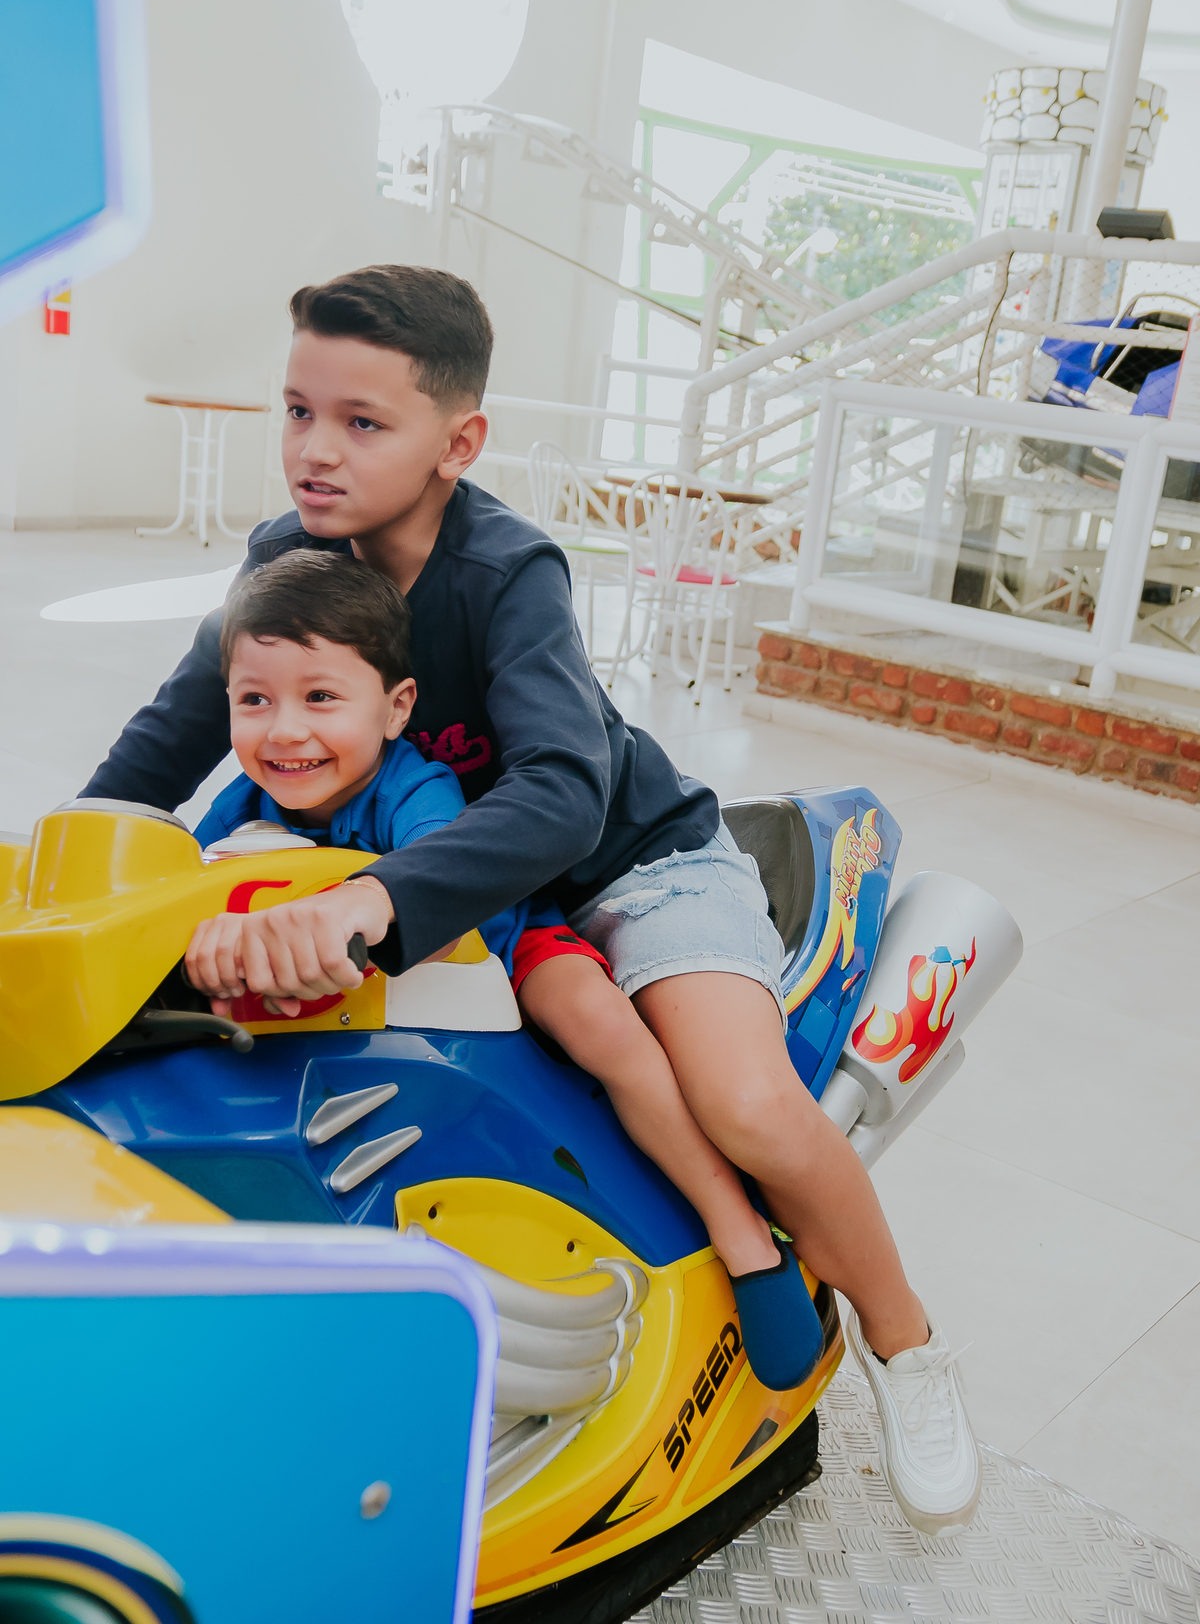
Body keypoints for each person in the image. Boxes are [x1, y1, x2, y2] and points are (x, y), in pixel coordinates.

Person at [85, 264, 980, 1535]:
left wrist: (374, 905)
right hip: (429, 875)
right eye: (295, 410)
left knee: (746, 1105)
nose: (314, 451)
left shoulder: (509, 571)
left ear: (460, 442)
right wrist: (69, 861)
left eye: (361, 421)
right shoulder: (285, 554)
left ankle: (907, 1344)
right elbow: (172, 736)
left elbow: (562, 792)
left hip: (622, 868)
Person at [186, 547, 821, 1390]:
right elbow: (189, 881)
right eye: (253, 701)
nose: (285, 731)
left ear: (394, 707)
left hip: (498, 941)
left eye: (321, 698)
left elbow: (451, 914)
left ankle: (738, 1233)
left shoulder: (419, 791)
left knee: (598, 1026)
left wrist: (348, 926)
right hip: (353, 1002)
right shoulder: (244, 805)